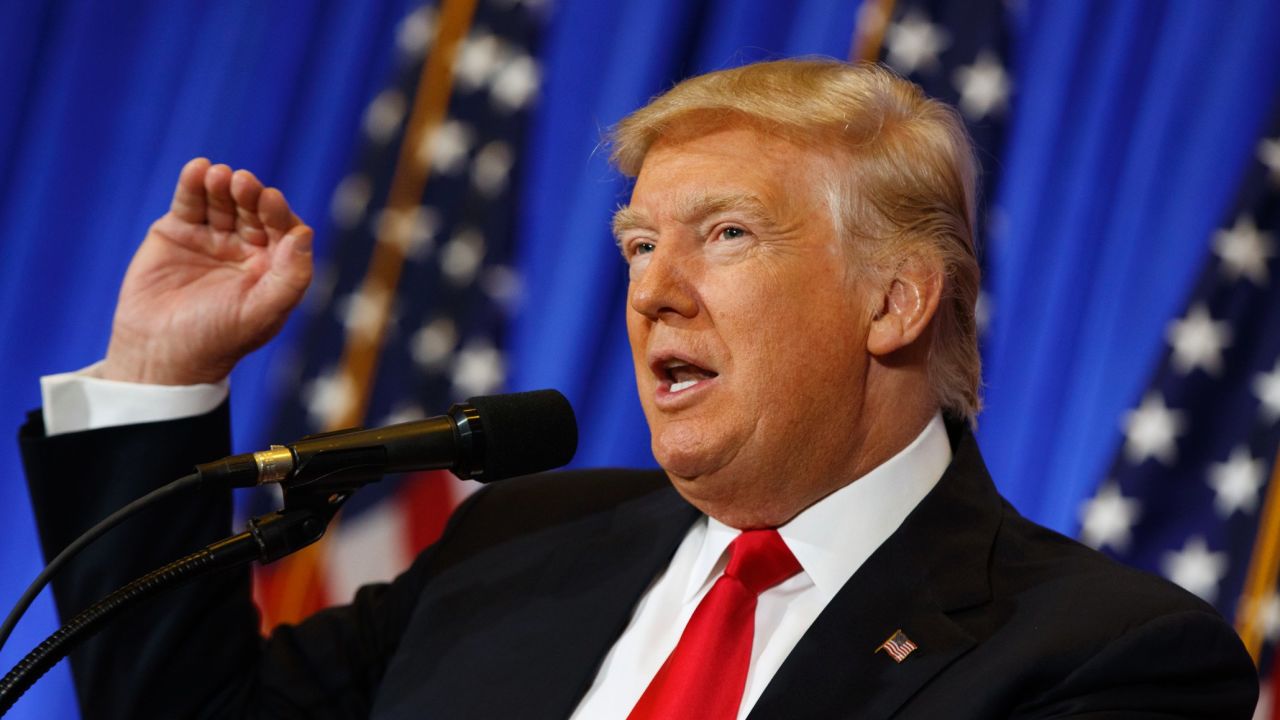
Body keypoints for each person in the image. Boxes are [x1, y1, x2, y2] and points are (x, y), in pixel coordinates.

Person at [20, 59, 1258, 719]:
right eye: (633, 245)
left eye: (723, 235)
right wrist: (158, 375)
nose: (651, 291)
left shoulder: (1104, 658)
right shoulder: (519, 542)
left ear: (896, 300)